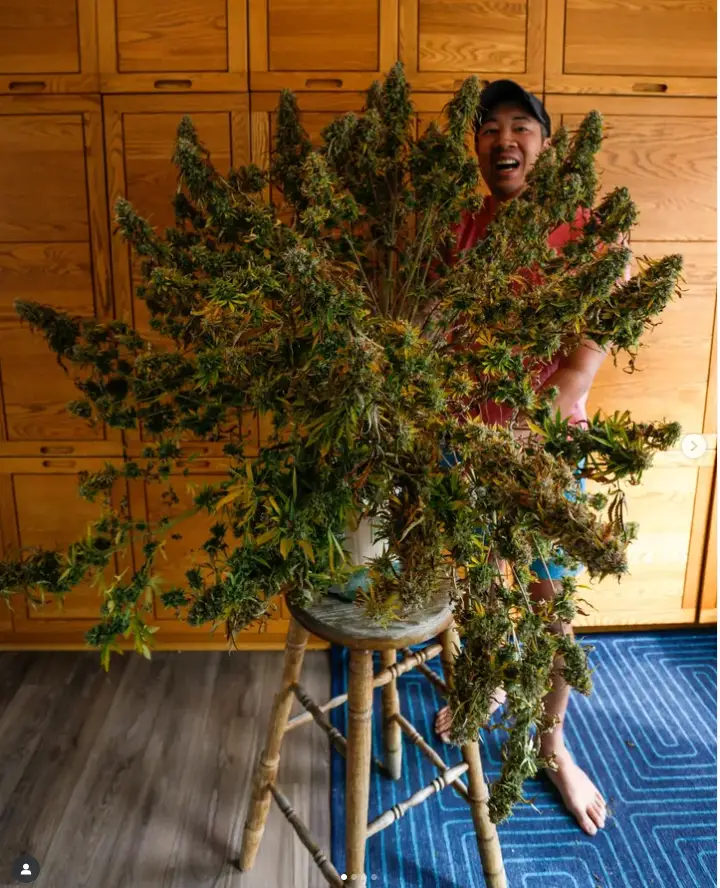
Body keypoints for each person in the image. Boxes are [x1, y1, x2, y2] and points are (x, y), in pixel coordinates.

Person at [434, 80, 610, 837]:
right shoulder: (461, 228)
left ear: (545, 144)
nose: (503, 140)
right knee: (477, 587)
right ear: (476, 146)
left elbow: (596, 333)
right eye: (489, 128)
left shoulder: (584, 228)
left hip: (545, 455)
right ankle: (491, 682)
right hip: (464, 446)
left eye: (520, 127)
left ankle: (552, 743)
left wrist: (545, 414)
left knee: (551, 607)